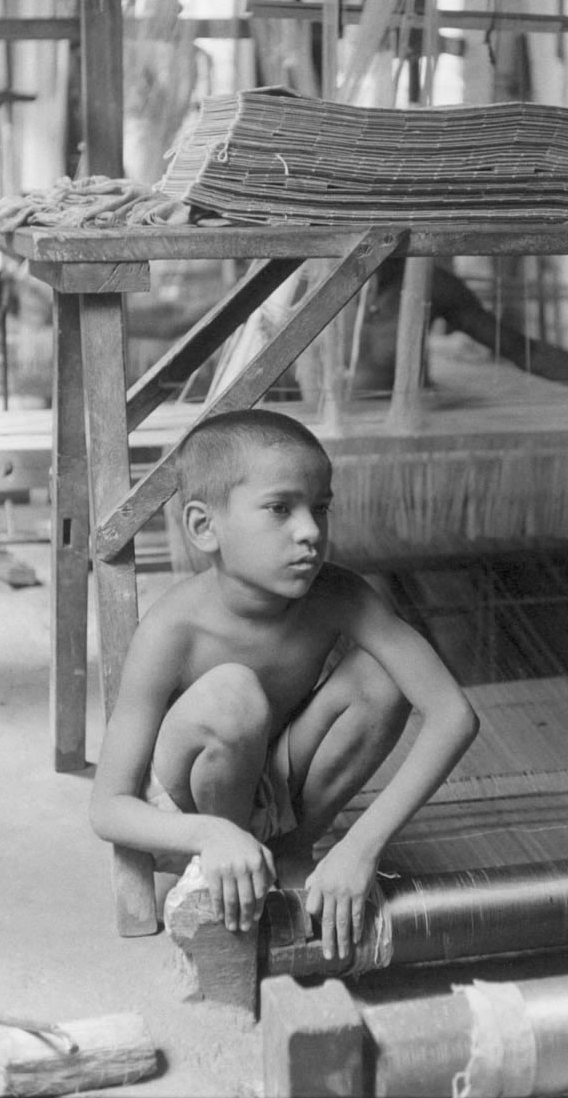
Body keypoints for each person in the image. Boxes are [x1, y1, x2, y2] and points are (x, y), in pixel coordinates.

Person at [90, 408, 479, 962]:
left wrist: (359, 848)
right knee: (232, 694)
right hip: (191, 812)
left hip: (277, 788)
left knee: (380, 677)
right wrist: (210, 836)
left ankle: (291, 853)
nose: (311, 532)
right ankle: (225, 873)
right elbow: (107, 808)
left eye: (320, 508)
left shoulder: (340, 595)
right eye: (280, 509)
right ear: (205, 527)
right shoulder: (172, 629)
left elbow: (453, 714)